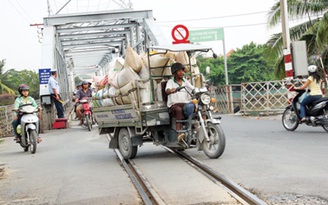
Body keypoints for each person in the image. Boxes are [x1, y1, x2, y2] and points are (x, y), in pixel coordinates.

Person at [165, 62, 195, 141]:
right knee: (179, 110)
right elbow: (167, 90)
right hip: (174, 104)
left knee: (195, 106)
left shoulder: (185, 81)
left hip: (185, 103)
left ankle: (195, 127)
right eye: (179, 71)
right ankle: (179, 134)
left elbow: (192, 88)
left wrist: (199, 90)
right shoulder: (171, 82)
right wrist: (172, 90)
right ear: (175, 73)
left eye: (182, 70)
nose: (182, 72)